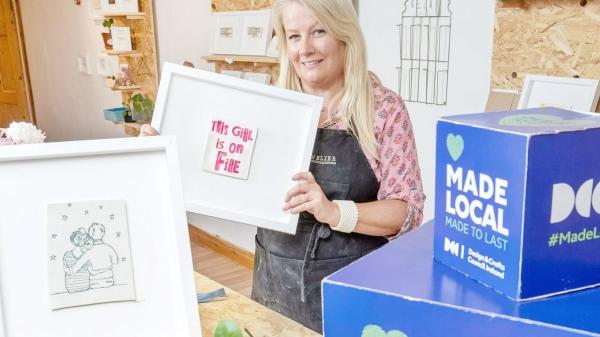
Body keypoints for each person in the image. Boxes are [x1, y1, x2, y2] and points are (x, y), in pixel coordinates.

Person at [140, 0, 424, 332]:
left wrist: (334, 212)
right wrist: (167, 150)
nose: (305, 49)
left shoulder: (383, 110)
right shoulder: (271, 104)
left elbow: (408, 212)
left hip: (350, 288)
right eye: (293, 36)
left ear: (344, 33)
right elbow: (225, 175)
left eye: (318, 31)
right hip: (274, 283)